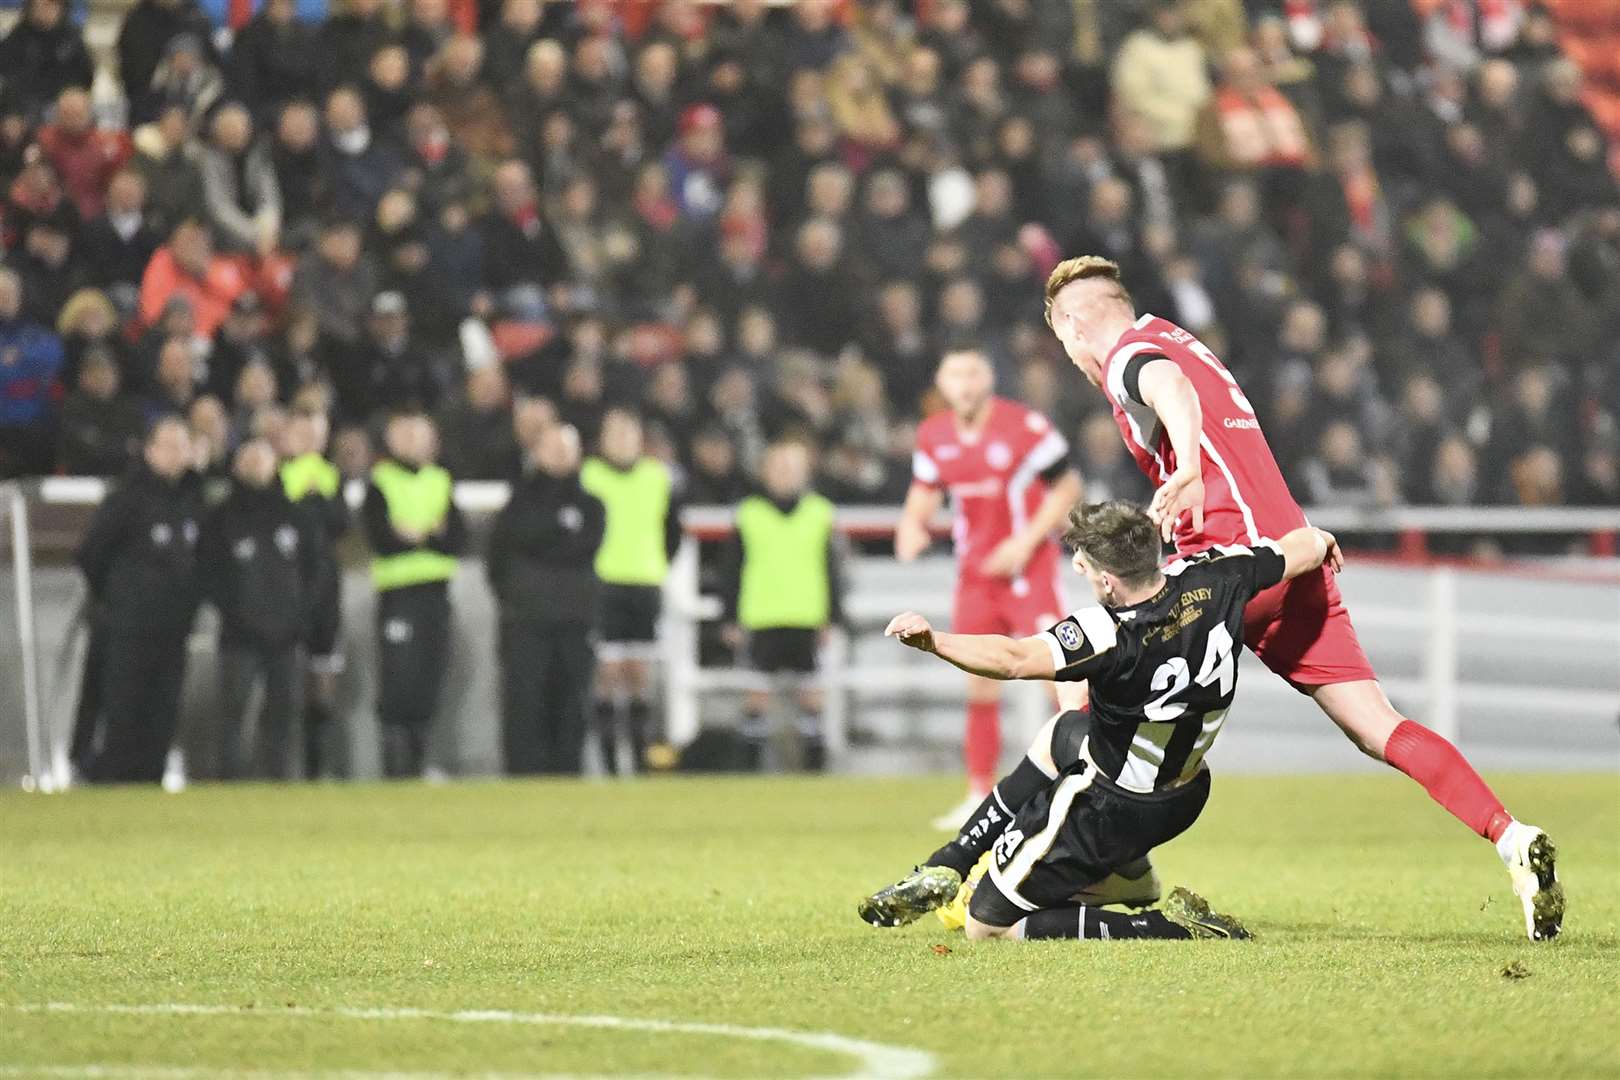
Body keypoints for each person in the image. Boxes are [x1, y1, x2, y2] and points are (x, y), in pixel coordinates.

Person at [1041, 255, 1563, 941]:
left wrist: (1191, 469)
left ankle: (1080, 869)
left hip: (1232, 571)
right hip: (1300, 553)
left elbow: (1168, 391)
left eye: (1062, 339)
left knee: (1082, 668)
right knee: (1378, 725)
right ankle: (1509, 835)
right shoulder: (1174, 336)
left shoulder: (1129, 356)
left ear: (1075, 327)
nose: (1071, 357)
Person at [861, 501, 1340, 940]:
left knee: (984, 924)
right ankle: (953, 863)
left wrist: (934, 641)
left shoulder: (1107, 629)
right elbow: (1296, 547)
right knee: (1064, 732)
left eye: (1084, 564)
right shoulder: (1216, 575)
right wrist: (1321, 540)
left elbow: (1010, 658)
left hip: (1116, 806)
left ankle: (1166, 927)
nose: (1076, 567)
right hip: (1187, 791)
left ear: (1108, 580)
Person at [895, 345, 1083, 828]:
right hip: (975, 576)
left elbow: (1067, 486)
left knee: (1057, 675)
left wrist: (1024, 543)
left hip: (1027, 572)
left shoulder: (1025, 426)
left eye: (974, 371)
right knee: (979, 683)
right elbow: (925, 490)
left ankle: (1087, 783)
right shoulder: (933, 434)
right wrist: (912, 525)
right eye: (955, 372)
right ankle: (979, 792)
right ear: (941, 381)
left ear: (990, 377)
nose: (965, 382)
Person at [75, 416, 203, 783]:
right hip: (128, 629)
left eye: (184, 445)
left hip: (174, 628)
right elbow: (91, 555)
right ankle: (114, 786)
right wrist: (120, 599)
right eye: (170, 445)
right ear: (150, 451)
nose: (179, 454)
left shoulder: (193, 501)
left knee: (162, 714)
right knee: (123, 712)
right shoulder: (126, 499)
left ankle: (152, 784)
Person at [201, 438, 324, 780]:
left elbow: (315, 571)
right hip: (239, 634)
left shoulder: (295, 517)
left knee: (284, 712)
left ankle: (279, 780)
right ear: (237, 466)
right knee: (232, 710)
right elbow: (209, 573)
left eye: (262, 459)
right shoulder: (221, 518)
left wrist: (299, 616)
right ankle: (230, 781)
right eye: (249, 459)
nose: (256, 466)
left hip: (287, 635)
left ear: (276, 465)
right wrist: (235, 613)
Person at [486, 422, 605, 776]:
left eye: (567, 448)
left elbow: (583, 545)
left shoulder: (592, 504)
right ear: (536, 453)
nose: (561, 455)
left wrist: (542, 542)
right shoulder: (518, 502)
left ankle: (567, 776)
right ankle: (522, 777)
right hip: (526, 620)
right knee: (525, 703)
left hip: (575, 619)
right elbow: (503, 555)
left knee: (571, 705)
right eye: (553, 447)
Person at [720, 437, 845, 772]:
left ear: (804, 472)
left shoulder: (819, 512)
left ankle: (814, 775)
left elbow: (833, 569)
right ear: (765, 472)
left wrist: (833, 617)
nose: (785, 474)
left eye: (791, 467)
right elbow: (731, 569)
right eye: (778, 467)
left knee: (811, 699)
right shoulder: (749, 514)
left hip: (807, 616)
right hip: (761, 617)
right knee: (756, 698)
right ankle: (748, 775)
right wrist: (729, 617)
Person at [360, 411, 466, 778]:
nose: (411, 443)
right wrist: (430, 535)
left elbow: (456, 539)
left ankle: (418, 765)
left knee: (429, 679)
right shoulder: (381, 482)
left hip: (436, 594)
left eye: (418, 435)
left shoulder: (441, 480)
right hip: (398, 595)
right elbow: (381, 539)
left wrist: (414, 536)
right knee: (398, 678)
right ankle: (394, 770)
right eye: (404, 434)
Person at [579, 408, 683, 775]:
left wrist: (655, 563)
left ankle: (639, 759)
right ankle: (608, 761)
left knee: (639, 671)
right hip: (604, 582)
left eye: (628, 433)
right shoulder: (588, 476)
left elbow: (673, 530)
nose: (622, 441)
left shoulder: (657, 478)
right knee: (607, 671)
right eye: (615, 433)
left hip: (644, 582)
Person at [278, 409, 349, 779]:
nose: (308, 442)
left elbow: (341, 525)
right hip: (286, 590)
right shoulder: (277, 475)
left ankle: (317, 767)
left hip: (325, 589)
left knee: (323, 674)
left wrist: (318, 498)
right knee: (286, 678)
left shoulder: (332, 476)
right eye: (301, 433)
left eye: (314, 434)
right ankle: (278, 766)